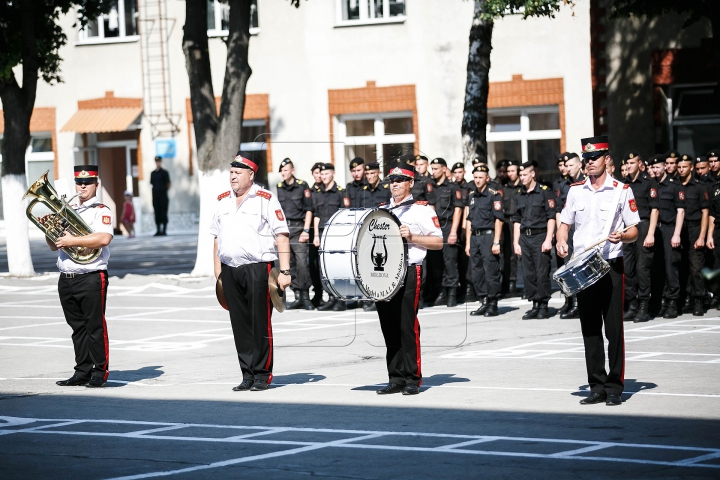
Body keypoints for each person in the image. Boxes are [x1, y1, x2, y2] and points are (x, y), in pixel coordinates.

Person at [556, 136, 640, 406]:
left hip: (610, 265)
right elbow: (565, 223)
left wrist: (622, 237)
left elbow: (634, 230)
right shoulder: (576, 190)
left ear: (606, 159)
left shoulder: (621, 190)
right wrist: (560, 239)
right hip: (583, 265)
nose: (589, 163)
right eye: (586, 159)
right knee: (589, 328)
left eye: (594, 158)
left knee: (613, 329)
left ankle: (615, 386)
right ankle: (597, 385)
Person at [211, 153, 291, 392]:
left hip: (258, 268)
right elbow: (216, 237)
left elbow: (282, 235)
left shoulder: (265, 199)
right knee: (240, 324)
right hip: (230, 270)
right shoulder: (222, 200)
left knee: (260, 322)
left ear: (251, 175)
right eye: (231, 172)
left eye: (238, 172)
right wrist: (218, 273)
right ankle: (247, 373)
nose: (233, 176)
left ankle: (262, 374)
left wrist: (285, 271)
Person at [375, 162, 443, 396]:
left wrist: (413, 236)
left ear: (411, 183)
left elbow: (438, 242)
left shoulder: (422, 210)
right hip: (383, 272)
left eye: (399, 180)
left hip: (409, 270)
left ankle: (412, 377)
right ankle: (396, 377)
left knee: (407, 326)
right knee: (389, 327)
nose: (394, 184)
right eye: (391, 181)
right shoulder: (382, 209)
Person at [47, 165, 114, 388]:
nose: (82, 186)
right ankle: (82, 371)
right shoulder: (67, 209)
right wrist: (51, 228)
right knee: (77, 328)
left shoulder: (101, 210)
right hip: (66, 277)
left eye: (88, 182)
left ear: (96, 184)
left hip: (91, 275)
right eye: (79, 183)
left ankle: (99, 371)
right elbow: (52, 246)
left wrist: (72, 241)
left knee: (95, 326)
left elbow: (103, 239)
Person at [513, 161, 555, 320]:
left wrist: (548, 239)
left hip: (540, 236)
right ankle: (535, 303)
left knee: (542, 272)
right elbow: (517, 220)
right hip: (525, 237)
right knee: (528, 273)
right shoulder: (518, 194)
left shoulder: (544, 191)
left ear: (532, 174)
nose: (522, 178)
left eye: (524, 175)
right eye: (520, 175)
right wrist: (516, 242)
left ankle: (544, 304)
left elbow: (551, 217)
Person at [621, 150, 659, 323]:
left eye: (632, 163)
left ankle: (644, 306)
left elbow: (654, 210)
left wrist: (650, 233)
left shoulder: (648, 183)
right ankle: (633, 305)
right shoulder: (624, 185)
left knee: (642, 269)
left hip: (643, 226)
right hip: (627, 227)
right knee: (628, 268)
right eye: (627, 164)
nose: (629, 166)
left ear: (640, 165)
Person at [465, 165, 504, 316]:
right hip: (475, 236)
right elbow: (469, 220)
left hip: (488, 236)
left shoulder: (494, 195)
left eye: (481, 177)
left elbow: (498, 219)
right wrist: (468, 242)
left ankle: (493, 303)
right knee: (477, 271)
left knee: (491, 270)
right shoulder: (472, 195)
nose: (478, 180)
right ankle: (483, 300)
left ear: (487, 178)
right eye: (475, 177)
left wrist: (496, 242)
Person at [276, 158, 315, 311]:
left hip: (299, 229)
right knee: (289, 264)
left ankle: (305, 296)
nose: (283, 173)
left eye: (286, 170)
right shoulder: (279, 187)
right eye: (281, 171)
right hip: (284, 230)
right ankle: (297, 295)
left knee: (301, 264)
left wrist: (306, 230)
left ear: (292, 171)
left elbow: (309, 209)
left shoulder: (302, 186)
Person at [649, 154, 685, 318]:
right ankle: (661, 301)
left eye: (658, 167)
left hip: (670, 229)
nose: (655, 170)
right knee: (657, 268)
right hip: (655, 230)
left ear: (665, 167)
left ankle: (673, 303)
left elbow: (680, 211)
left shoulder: (674, 186)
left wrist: (677, 234)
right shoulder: (652, 185)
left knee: (671, 267)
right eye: (653, 167)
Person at [677, 154, 709, 316]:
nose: (681, 169)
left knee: (696, 267)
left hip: (694, 228)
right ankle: (687, 299)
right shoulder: (675, 185)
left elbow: (705, 213)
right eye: (679, 167)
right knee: (681, 267)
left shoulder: (699, 186)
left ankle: (698, 300)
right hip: (679, 229)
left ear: (691, 168)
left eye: (684, 167)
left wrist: (702, 236)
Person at [429, 158, 464, 307]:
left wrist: (454, 232)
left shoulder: (452, 187)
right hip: (435, 228)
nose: (433, 171)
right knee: (437, 262)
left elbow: (458, 209)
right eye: (432, 169)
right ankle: (442, 291)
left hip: (448, 226)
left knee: (450, 261)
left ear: (444, 169)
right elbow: (429, 208)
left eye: (436, 168)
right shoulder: (430, 187)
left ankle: (452, 293)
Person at [313, 163, 348, 311]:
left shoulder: (341, 192)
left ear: (333, 174)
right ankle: (331, 297)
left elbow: (345, 214)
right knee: (324, 268)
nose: (323, 177)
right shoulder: (319, 193)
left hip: (336, 234)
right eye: (322, 174)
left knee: (337, 267)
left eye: (326, 174)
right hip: (322, 233)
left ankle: (340, 299)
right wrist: (315, 235)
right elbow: (316, 215)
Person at [554, 153, 583, 318]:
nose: (567, 168)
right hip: (567, 229)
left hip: (580, 229)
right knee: (567, 266)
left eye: (571, 165)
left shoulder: (586, 183)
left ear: (579, 165)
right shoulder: (564, 185)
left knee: (578, 265)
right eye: (566, 165)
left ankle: (579, 303)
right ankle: (570, 301)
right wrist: (560, 235)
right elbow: (560, 210)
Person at [503, 160, 521, 296]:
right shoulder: (504, 188)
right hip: (506, 223)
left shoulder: (523, 188)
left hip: (520, 223)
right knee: (508, 255)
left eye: (512, 171)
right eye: (508, 171)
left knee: (521, 254)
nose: (510, 174)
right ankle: (510, 283)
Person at [308, 162, 326, 308]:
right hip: (312, 231)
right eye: (316, 173)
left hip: (322, 229)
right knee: (312, 264)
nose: (319, 175)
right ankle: (317, 293)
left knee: (323, 264)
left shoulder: (326, 189)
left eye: (321, 173)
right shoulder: (309, 191)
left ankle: (327, 293)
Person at [150, 156, 171, 236]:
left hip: (163, 196)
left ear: (161, 161)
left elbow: (168, 184)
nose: (157, 162)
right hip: (155, 196)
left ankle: (164, 230)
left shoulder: (164, 172)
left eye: (158, 161)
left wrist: (163, 191)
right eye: (156, 161)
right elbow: (152, 183)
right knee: (157, 213)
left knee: (163, 213)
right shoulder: (153, 173)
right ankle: (158, 230)